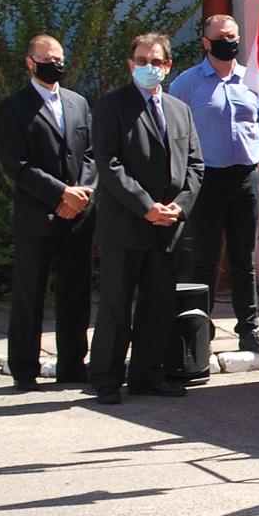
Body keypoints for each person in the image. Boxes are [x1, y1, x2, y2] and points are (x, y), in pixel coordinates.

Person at [89, 32, 203, 404]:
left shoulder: (179, 109)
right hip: (126, 224)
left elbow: (196, 165)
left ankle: (146, 375)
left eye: (155, 61)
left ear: (168, 67)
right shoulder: (111, 106)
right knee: (116, 305)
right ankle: (106, 376)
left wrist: (179, 206)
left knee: (158, 305)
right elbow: (108, 163)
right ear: (130, 64)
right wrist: (145, 206)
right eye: (141, 60)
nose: (148, 67)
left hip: (168, 226)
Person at [170, 14, 259, 354]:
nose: (228, 42)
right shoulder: (187, 84)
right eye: (221, 37)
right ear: (205, 42)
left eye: (233, 36)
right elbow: (176, 132)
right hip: (206, 178)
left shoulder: (252, 81)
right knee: (204, 256)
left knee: (244, 257)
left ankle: (249, 327)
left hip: (244, 176)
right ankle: (199, 327)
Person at [0, 34, 96, 392]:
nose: (54, 64)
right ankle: (24, 367)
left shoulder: (78, 103)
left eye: (59, 58)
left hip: (78, 215)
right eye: (46, 58)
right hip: (37, 216)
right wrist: (60, 194)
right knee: (30, 292)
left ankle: (73, 364)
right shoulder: (14, 107)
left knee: (75, 292)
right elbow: (16, 164)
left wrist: (82, 193)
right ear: (30, 62)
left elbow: (91, 156)